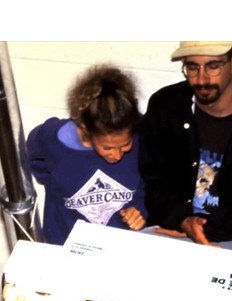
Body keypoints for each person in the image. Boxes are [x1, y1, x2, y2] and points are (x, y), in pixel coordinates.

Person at [139, 42, 232, 246]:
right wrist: (183, 221)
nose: (202, 79)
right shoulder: (165, 107)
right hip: (174, 230)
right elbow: (151, 178)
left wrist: (203, 229)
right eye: (193, 67)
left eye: (213, 66)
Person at [27, 64, 148, 246]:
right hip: (65, 243)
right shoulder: (53, 138)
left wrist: (139, 209)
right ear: (85, 129)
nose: (117, 155)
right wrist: (53, 181)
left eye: (125, 145)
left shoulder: (142, 136)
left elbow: (147, 181)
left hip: (120, 244)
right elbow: (33, 155)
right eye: (107, 147)